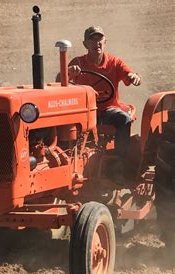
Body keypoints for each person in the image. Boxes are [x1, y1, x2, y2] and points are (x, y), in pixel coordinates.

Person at [68, 26, 141, 183]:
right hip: (85, 112)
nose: (97, 43)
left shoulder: (114, 62)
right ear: (85, 44)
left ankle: (119, 164)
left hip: (108, 110)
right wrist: (69, 73)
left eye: (100, 39)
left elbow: (130, 74)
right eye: (92, 40)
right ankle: (68, 162)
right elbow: (61, 79)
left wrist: (134, 77)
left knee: (123, 119)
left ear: (105, 42)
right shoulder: (78, 63)